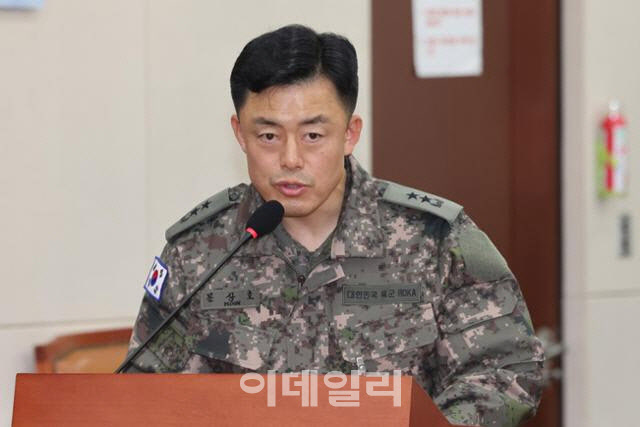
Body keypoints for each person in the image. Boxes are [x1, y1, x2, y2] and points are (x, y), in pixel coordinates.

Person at [125, 24, 544, 426]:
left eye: (312, 136)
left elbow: (505, 367)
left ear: (349, 133)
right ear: (239, 134)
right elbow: (145, 391)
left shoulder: (433, 240)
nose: (290, 159)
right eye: (269, 136)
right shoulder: (199, 252)